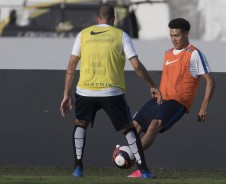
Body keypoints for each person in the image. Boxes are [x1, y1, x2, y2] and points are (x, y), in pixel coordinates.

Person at [60, 4, 161, 178]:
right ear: (114, 19)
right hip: (111, 92)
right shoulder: (121, 35)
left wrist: (66, 94)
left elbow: (71, 66)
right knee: (129, 129)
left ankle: (78, 169)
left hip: (85, 91)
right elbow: (136, 65)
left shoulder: (83, 34)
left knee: (80, 124)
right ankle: (144, 171)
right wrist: (152, 85)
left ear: (97, 19)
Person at [128, 18, 216, 178]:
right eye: (171, 35)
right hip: (160, 99)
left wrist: (203, 106)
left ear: (186, 34)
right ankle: (140, 167)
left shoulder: (194, 54)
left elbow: (210, 80)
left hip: (178, 102)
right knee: (134, 125)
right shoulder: (168, 53)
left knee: (154, 125)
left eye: (177, 35)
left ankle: (129, 155)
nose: (173, 39)